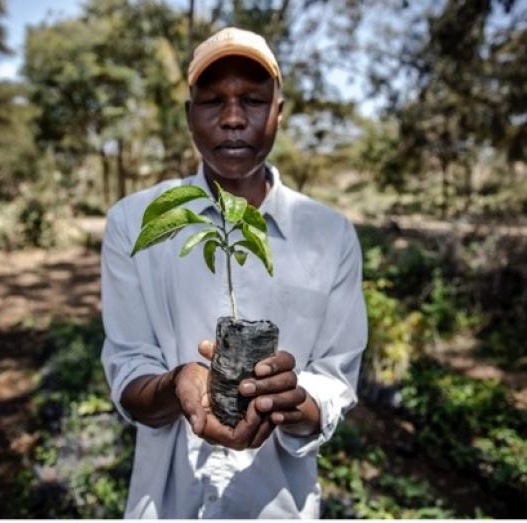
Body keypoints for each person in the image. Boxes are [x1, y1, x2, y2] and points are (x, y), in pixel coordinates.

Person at [100, 26, 368, 518]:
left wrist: (294, 400)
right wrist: (177, 382)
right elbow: (129, 369)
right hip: (167, 506)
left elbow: (334, 381)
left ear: (278, 113)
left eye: (252, 99)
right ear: (188, 115)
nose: (232, 119)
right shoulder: (135, 221)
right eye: (212, 101)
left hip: (276, 507)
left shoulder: (329, 236)